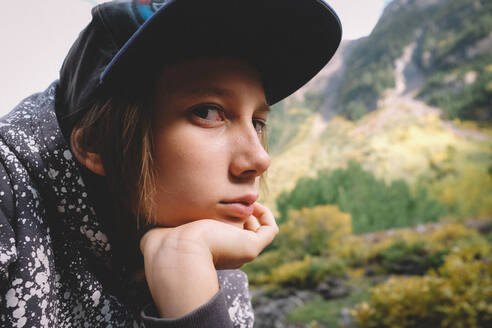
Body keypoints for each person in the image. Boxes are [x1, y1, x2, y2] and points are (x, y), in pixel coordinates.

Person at [0, 0, 341, 327]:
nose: (259, 159)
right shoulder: (8, 194)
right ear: (97, 143)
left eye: (257, 122)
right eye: (208, 112)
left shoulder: (202, 249)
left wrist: (187, 281)